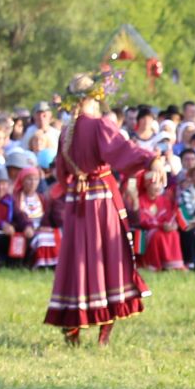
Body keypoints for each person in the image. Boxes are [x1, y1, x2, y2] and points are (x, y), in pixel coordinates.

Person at [46, 72, 157, 346]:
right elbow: (122, 152)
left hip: (76, 202)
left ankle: (73, 325)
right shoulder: (99, 126)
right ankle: (103, 329)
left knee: (76, 260)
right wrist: (152, 158)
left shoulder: (66, 132)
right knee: (106, 258)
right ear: (94, 97)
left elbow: (61, 173)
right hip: (101, 201)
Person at [134, 166, 188, 272]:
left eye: (160, 184)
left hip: (164, 228)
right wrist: (160, 225)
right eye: (154, 184)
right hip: (147, 230)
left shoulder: (165, 200)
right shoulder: (140, 201)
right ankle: (154, 265)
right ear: (147, 185)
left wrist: (172, 225)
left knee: (174, 234)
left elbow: (170, 216)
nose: (158, 187)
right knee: (157, 235)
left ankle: (173, 265)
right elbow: (142, 220)